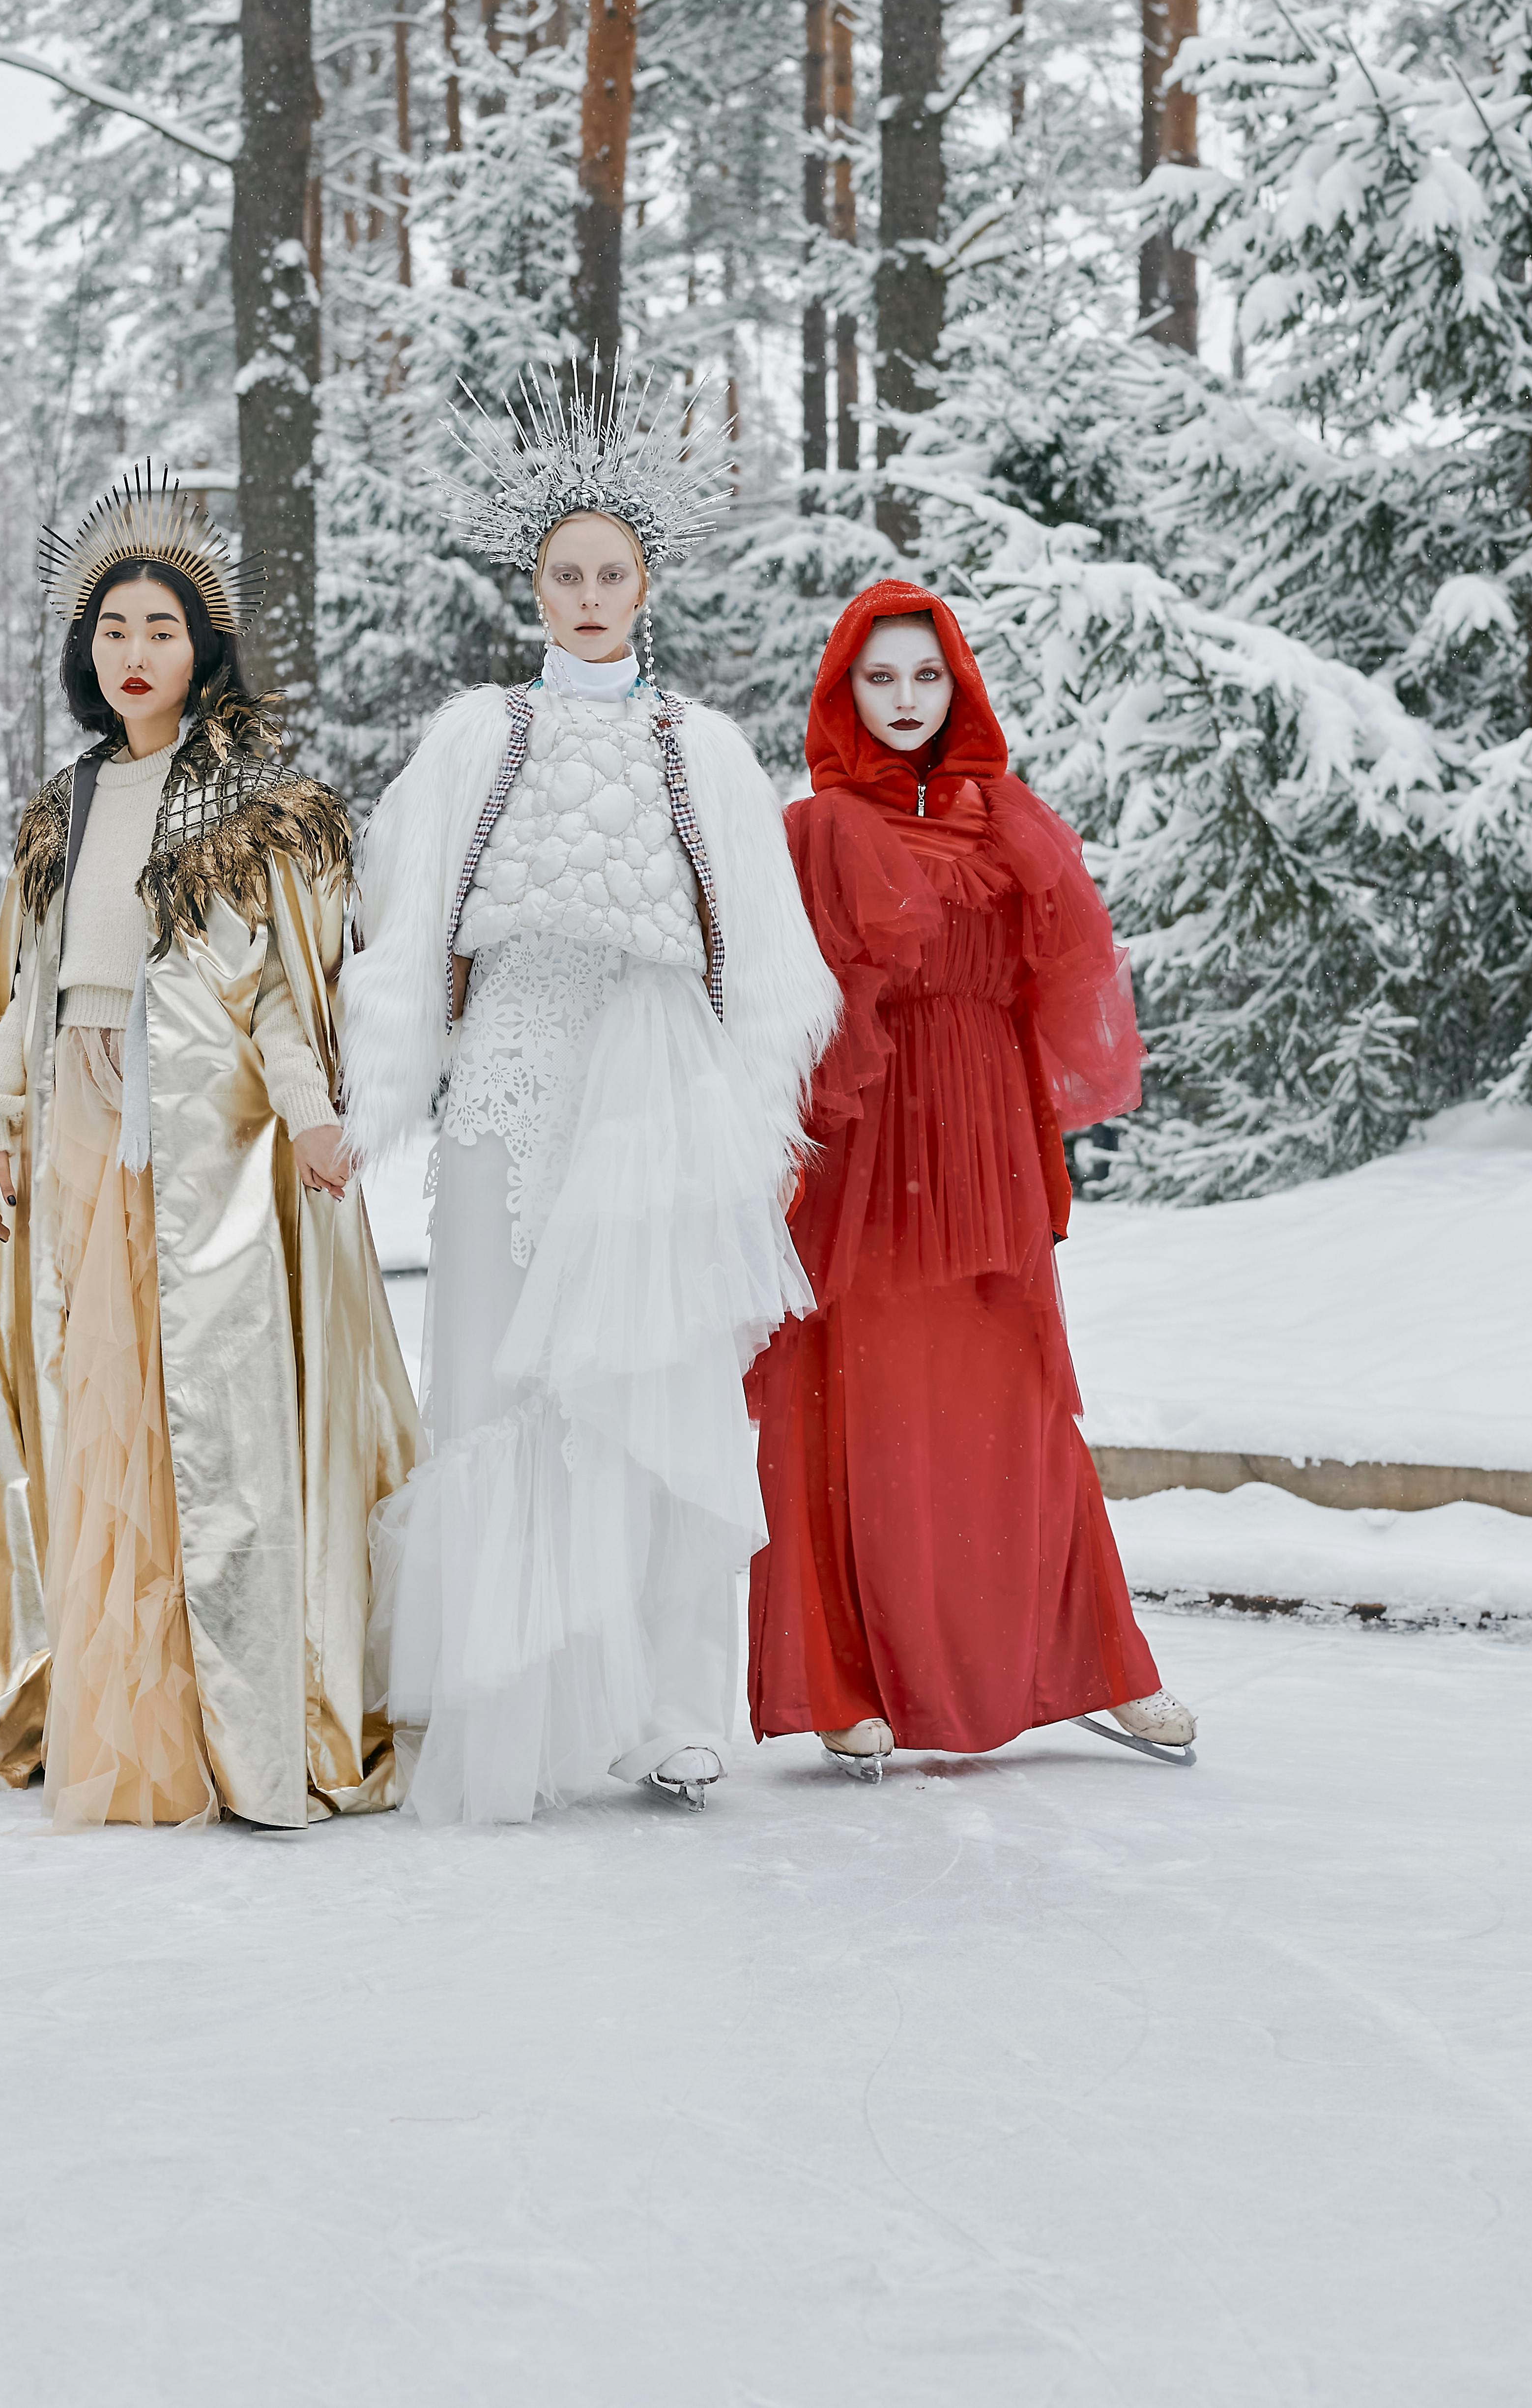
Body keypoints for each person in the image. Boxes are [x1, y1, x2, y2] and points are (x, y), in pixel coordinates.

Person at [0, 468, 421, 1829]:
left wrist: (313, 1114)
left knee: (210, 1419)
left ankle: (232, 1699)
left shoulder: (248, 803)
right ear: (84, 648)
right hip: (79, 1116)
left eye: (160, 629)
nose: (135, 652)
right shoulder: (64, 808)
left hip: (206, 1147)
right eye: (113, 628)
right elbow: (24, 991)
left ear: (204, 645)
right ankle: (119, 1687)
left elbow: (282, 993)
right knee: (96, 1410)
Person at [341, 373, 840, 1823]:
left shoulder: (706, 748)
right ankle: (512, 1685)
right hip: (511, 1064)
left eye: (611, 571)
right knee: (503, 1373)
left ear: (648, 583)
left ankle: (668, 1706)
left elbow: (765, 963)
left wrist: (756, 1133)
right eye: (565, 572)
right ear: (535, 587)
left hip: (654, 1086)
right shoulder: (472, 738)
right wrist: (368, 1108)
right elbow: (407, 929)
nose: (588, 594)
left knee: (654, 1378)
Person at [745, 580, 1196, 1772]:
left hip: (985, 1142)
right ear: (842, 694)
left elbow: (1057, 998)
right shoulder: (814, 832)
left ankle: (1098, 1667)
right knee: (857, 1404)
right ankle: (848, 1685)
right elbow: (773, 1020)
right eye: (878, 680)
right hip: (869, 1148)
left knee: (1020, 1405)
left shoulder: (1011, 821)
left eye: (925, 678)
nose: (903, 701)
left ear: (959, 688)